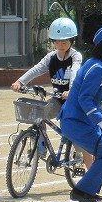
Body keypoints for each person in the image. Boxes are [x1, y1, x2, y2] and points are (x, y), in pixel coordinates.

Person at [10, 17, 94, 169]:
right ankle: (40, 146)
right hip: (57, 98)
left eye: (64, 42)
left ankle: (82, 159)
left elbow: (75, 73)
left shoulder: (76, 56)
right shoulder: (51, 57)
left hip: (74, 100)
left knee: (74, 131)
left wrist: (70, 91)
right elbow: (36, 69)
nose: (60, 45)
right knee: (40, 114)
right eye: (57, 42)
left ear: (71, 41)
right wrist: (20, 82)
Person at [58, 24, 102, 202]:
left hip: (78, 121)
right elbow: (84, 99)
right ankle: (81, 190)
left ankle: (88, 190)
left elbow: (91, 99)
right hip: (77, 123)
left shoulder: (95, 63)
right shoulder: (98, 69)